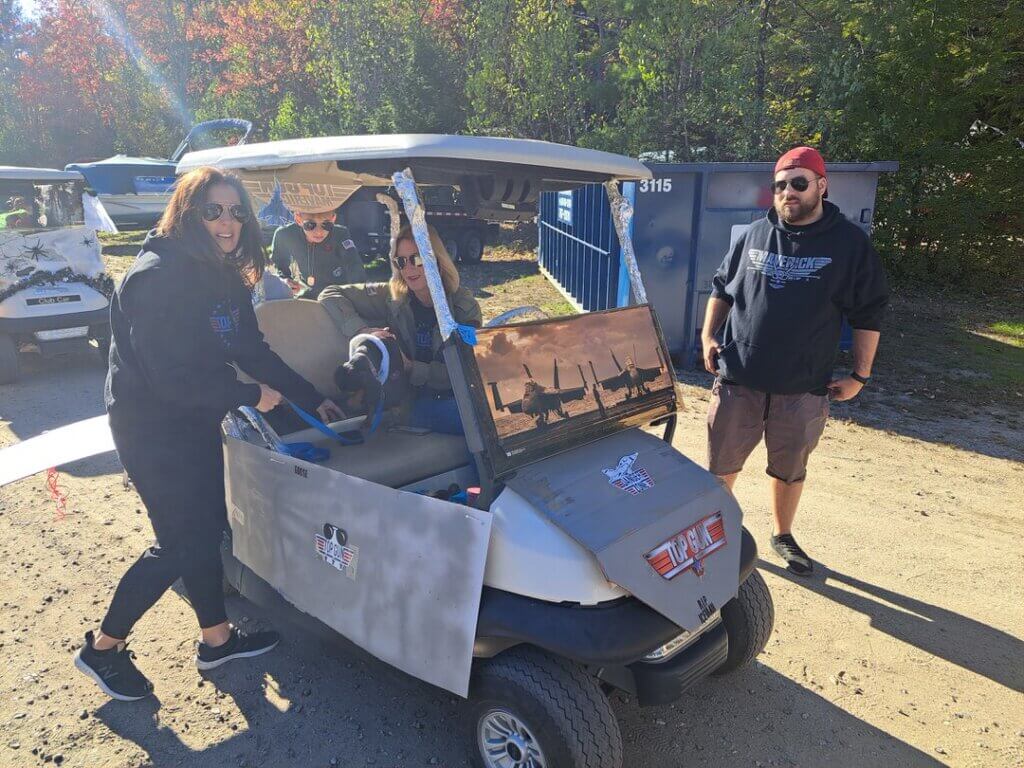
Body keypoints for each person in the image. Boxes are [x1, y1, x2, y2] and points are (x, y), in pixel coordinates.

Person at [74, 167, 343, 701]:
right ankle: (101, 648)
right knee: (179, 542)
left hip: (194, 418)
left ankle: (216, 639)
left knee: (206, 525)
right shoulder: (154, 277)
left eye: (237, 211)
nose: (228, 222)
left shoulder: (220, 276)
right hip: (149, 426)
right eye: (214, 210)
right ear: (188, 212)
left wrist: (312, 397)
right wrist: (248, 396)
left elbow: (252, 351)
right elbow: (171, 379)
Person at [701, 146, 888, 576]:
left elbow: (868, 312)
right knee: (720, 465)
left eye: (799, 183)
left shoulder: (849, 244)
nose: (788, 192)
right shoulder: (753, 235)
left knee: (789, 469)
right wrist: (709, 335)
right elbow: (721, 289)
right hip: (739, 381)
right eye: (780, 185)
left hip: (803, 388)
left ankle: (783, 535)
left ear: (822, 185)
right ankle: (720, 534)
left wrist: (861, 373)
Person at [319, 223, 481, 435]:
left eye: (417, 259)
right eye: (401, 261)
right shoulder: (393, 296)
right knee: (471, 419)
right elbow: (330, 294)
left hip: (452, 395)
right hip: (407, 401)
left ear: (437, 259)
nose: (409, 269)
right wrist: (363, 331)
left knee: (478, 416)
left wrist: (412, 367)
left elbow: (465, 370)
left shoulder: (463, 306)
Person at [270, 205, 366, 298]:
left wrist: (356, 292)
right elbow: (279, 262)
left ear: (333, 219)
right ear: (298, 219)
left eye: (326, 225)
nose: (319, 232)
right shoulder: (285, 235)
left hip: (337, 291)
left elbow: (354, 264)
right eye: (310, 225)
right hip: (307, 290)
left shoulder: (340, 234)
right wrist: (285, 279)